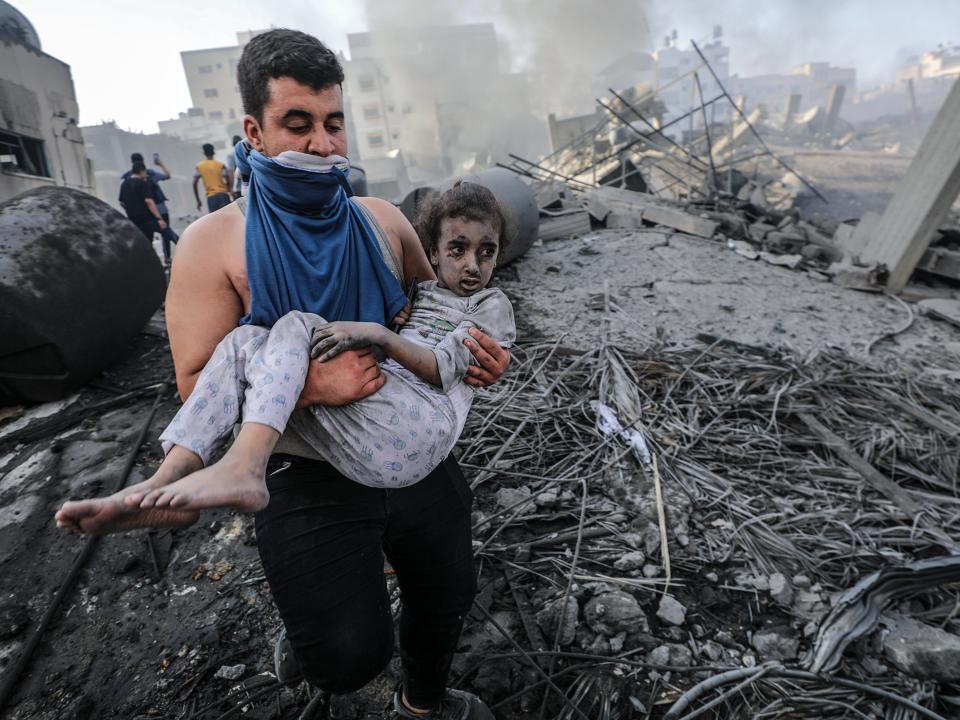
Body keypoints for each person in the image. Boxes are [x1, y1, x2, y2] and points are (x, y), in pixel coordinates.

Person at [55, 28, 509, 720]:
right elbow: (195, 380)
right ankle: (298, 627)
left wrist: (485, 357)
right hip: (302, 468)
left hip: (402, 446)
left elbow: (443, 311)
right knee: (346, 658)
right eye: (298, 125)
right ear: (253, 130)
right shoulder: (214, 244)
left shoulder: (383, 221)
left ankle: (423, 703)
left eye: (333, 124)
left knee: (448, 593)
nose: (325, 146)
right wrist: (310, 388)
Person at [120, 180, 513, 514]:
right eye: (458, 250)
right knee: (243, 342)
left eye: (487, 252)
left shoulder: (489, 303)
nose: (472, 266)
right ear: (435, 252)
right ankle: (171, 473)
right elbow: (417, 310)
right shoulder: (424, 292)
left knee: (296, 324)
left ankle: (246, 462)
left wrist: (377, 334)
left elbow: (444, 367)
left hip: (416, 426)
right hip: (373, 431)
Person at [123, 152, 177, 263]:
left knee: (147, 239)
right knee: (167, 233)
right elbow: (167, 176)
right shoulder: (149, 173)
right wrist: (160, 164)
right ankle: (169, 257)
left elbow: (123, 201)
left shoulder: (127, 179)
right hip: (157, 209)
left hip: (140, 215)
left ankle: (151, 262)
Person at [193, 143, 233, 213]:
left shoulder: (200, 166)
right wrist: (230, 190)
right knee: (228, 219)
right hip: (223, 196)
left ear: (204, 153)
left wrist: (198, 200)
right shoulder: (221, 165)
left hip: (211, 198)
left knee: (216, 221)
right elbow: (228, 178)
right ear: (214, 152)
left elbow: (194, 183)